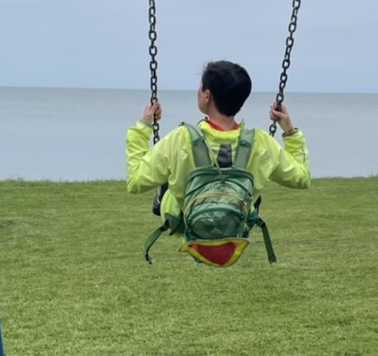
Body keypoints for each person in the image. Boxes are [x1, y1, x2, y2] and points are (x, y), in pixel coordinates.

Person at [125, 60, 311, 234]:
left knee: (170, 183)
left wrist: (144, 128)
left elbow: (135, 182)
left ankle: (164, 194)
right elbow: (302, 178)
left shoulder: (181, 139)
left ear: (207, 96)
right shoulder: (261, 144)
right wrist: (289, 130)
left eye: (200, 87)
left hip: (190, 230)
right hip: (234, 233)